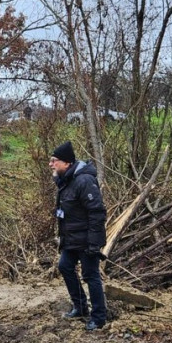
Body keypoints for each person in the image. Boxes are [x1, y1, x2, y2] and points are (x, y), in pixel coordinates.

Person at [50, 140, 111, 331]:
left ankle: (99, 318)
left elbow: (97, 212)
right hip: (71, 239)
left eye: (54, 161)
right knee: (65, 266)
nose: (51, 164)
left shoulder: (84, 181)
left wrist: (94, 243)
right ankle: (81, 307)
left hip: (86, 240)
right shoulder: (65, 180)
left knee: (90, 275)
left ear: (67, 162)